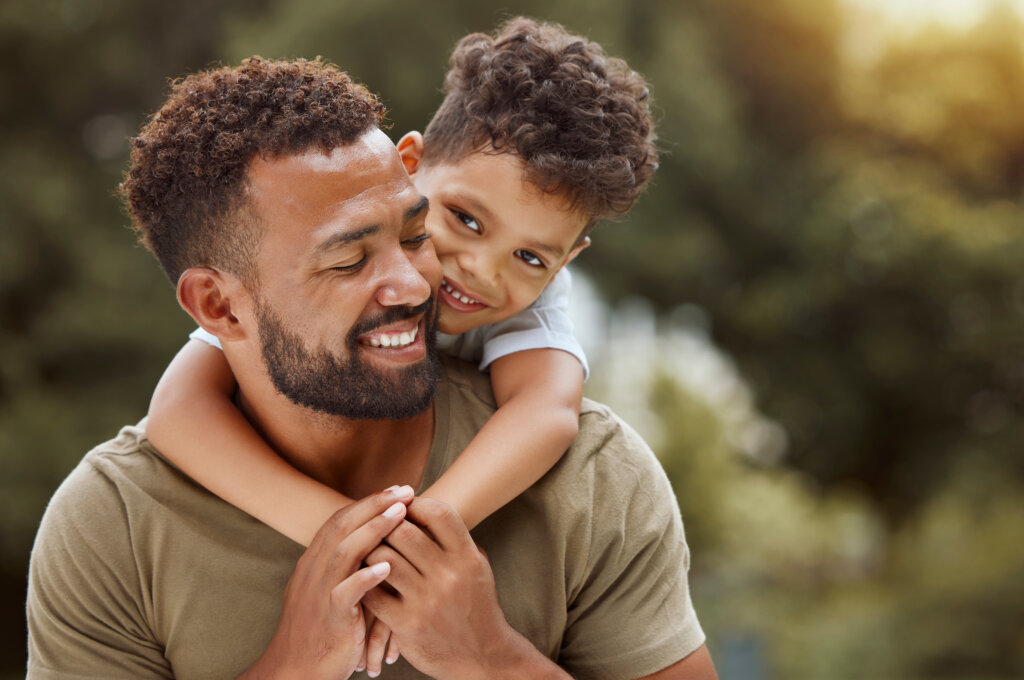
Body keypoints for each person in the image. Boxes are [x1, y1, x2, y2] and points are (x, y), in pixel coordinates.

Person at [26, 54, 716, 680]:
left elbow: (547, 412)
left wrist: (490, 657)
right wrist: (294, 659)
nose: (432, 282)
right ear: (219, 307)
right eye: (351, 259)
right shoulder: (112, 521)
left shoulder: (594, 478)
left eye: (411, 236)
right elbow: (179, 414)